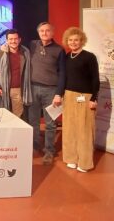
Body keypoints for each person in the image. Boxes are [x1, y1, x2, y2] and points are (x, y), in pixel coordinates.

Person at [54, 27, 99, 172]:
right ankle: (71, 158)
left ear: (82, 41)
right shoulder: (67, 57)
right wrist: (60, 95)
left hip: (85, 97)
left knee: (84, 130)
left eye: (76, 40)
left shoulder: (89, 57)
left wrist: (94, 98)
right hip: (68, 96)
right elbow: (64, 78)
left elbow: (95, 79)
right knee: (69, 129)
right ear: (66, 41)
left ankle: (84, 162)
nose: (73, 42)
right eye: (70, 40)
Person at [28, 22, 65, 165]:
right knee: (33, 121)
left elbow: (62, 73)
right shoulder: (32, 45)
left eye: (47, 30)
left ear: (52, 32)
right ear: (38, 33)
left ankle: (49, 151)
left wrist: (59, 94)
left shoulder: (59, 50)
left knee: (50, 124)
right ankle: (34, 146)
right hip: (32, 88)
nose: (44, 33)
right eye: (42, 31)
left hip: (51, 91)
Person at [0, 29, 32, 118]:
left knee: (17, 117)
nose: (13, 41)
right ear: (7, 40)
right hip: (3, 89)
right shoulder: (0, 53)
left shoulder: (26, 53)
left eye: (15, 39)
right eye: (10, 39)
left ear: (19, 40)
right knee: (4, 117)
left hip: (18, 89)